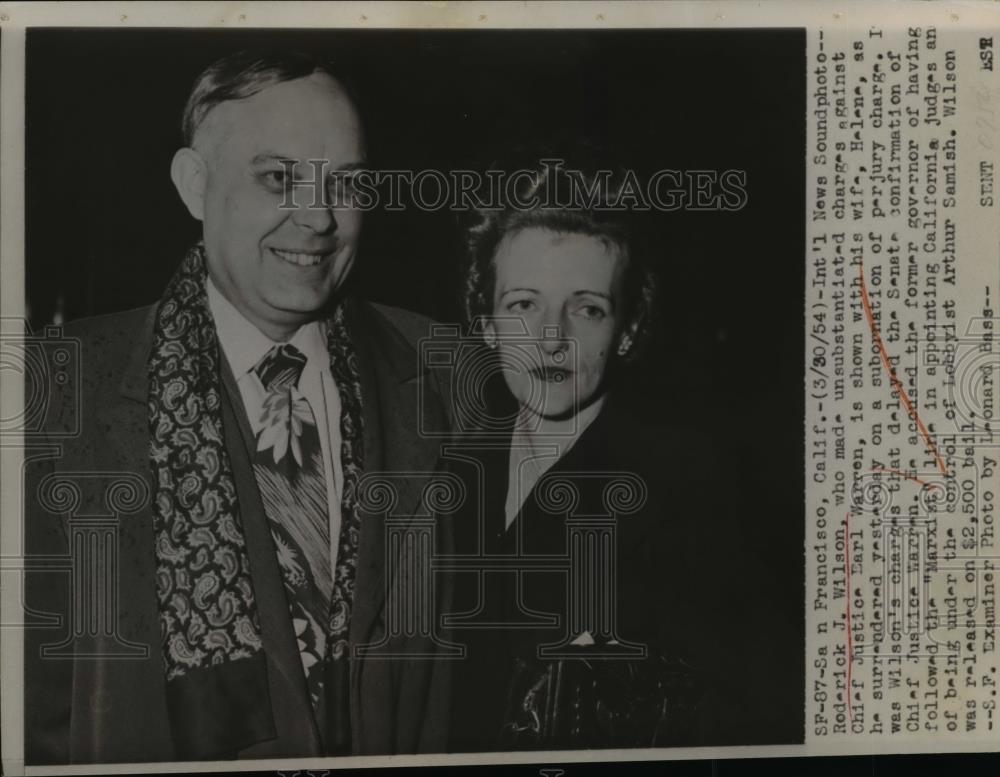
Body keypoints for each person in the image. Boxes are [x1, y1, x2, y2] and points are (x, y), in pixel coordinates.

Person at [24, 51, 452, 764]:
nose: (318, 216)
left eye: (344, 182)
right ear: (195, 184)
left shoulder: (442, 372)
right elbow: (32, 713)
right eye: (278, 177)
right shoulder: (59, 391)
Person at [442, 161, 715, 752]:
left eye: (586, 308)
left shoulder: (687, 494)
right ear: (485, 322)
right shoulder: (445, 467)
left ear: (627, 330)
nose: (551, 337)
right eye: (522, 305)